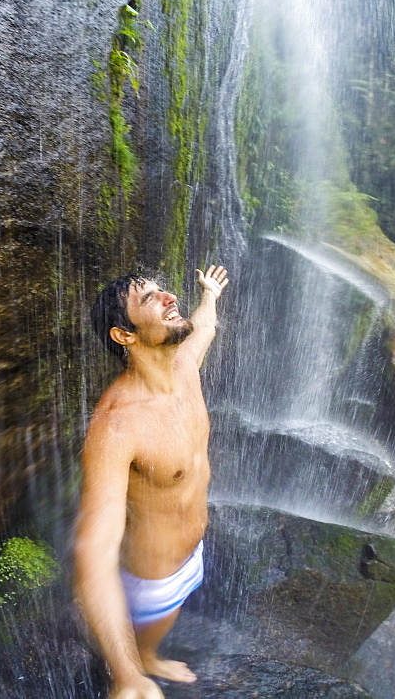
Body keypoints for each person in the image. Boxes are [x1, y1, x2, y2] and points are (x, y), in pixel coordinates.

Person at [73, 265, 230, 699]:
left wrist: (209, 295)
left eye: (164, 291)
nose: (168, 298)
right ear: (125, 336)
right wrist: (126, 678)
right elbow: (94, 552)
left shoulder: (184, 367)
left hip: (190, 555)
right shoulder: (117, 427)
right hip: (152, 580)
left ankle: (150, 655)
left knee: (167, 620)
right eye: (150, 299)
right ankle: (131, 666)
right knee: (151, 625)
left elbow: (206, 328)